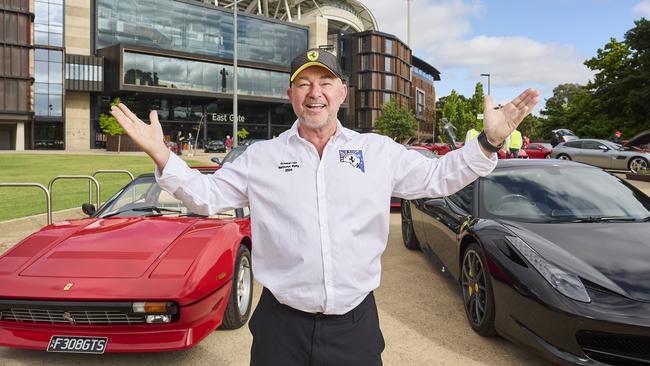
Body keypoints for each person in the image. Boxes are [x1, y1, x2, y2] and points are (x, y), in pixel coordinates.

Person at [110, 48, 539, 366]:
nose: (315, 93)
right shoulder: (261, 157)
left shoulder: (377, 151)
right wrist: (163, 156)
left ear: (343, 92)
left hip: (354, 325)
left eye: (325, 82)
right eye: (304, 83)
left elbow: (438, 176)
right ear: (290, 94)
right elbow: (207, 196)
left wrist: (488, 142)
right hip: (281, 325)